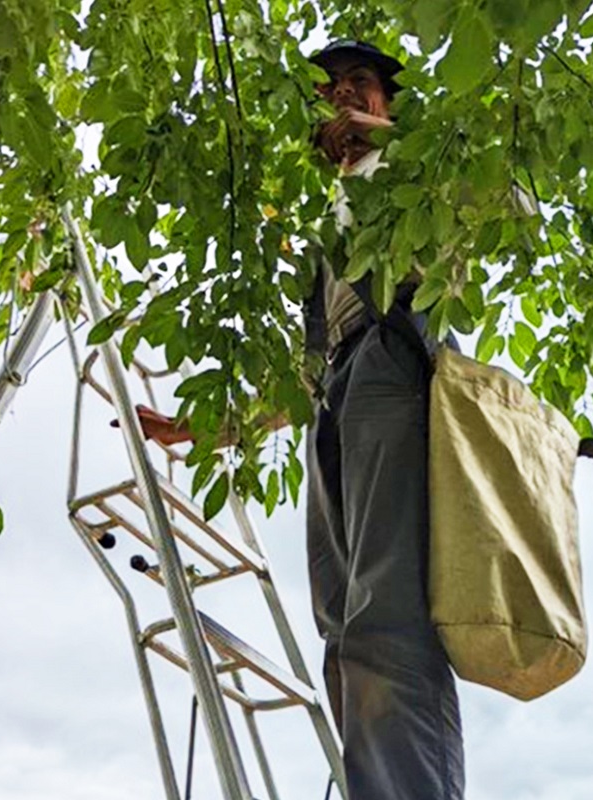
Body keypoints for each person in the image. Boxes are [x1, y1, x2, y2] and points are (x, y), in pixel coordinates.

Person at [125, 40, 465, 800]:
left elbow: (507, 207)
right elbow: (306, 369)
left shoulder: (423, 175)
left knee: (390, 613)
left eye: (361, 86)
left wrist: (387, 143)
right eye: (331, 93)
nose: (344, 101)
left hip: (395, 372)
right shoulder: (326, 226)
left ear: (388, 104)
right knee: (341, 626)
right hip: (337, 393)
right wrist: (206, 431)